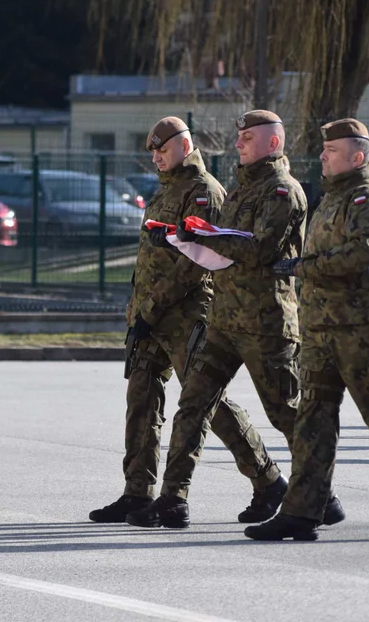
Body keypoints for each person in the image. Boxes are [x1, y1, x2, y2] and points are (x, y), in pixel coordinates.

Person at [125, 109, 344, 529]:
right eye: (239, 137)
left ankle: (319, 495)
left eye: (247, 138)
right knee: (193, 404)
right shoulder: (242, 192)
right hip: (225, 322)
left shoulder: (284, 192)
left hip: (265, 323)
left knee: (285, 412)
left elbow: (259, 250)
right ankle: (172, 500)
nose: (239, 143)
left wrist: (203, 235)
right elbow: (213, 253)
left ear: (273, 143)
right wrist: (178, 238)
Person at [245, 118, 369, 542]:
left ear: (358, 155)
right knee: (313, 420)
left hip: (362, 328)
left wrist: (303, 267)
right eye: (323, 149)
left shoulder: (368, 197)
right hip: (323, 328)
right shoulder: (333, 198)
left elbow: (363, 253)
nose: (322, 156)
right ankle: (301, 511)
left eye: (331, 151)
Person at [89, 117, 281, 524]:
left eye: (163, 149)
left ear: (185, 144)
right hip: (150, 317)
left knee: (208, 404)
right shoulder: (164, 191)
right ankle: (137, 492)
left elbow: (194, 266)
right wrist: (138, 312)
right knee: (141, 401)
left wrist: (152, 307)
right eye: (153, 152)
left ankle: (268, 479)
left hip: (188, 315)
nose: (156, 157)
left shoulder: (204, 191)